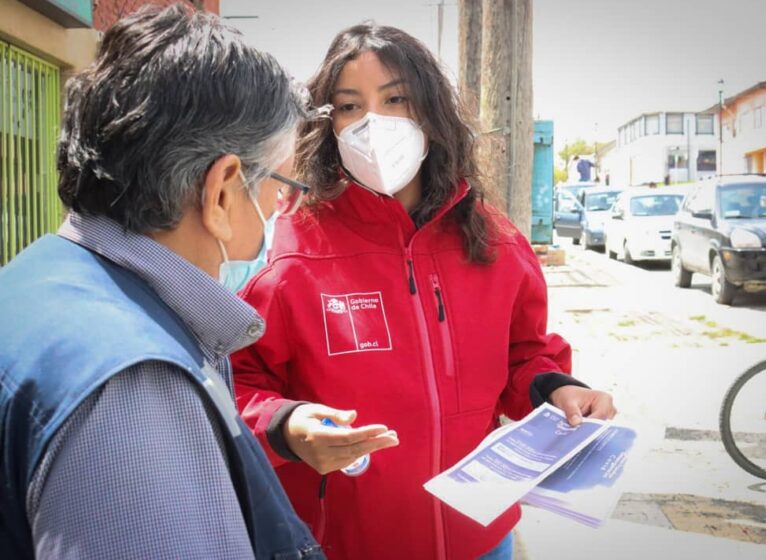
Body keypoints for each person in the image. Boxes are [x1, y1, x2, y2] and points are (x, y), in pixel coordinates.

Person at [231, 23, 617, 560]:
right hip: (346, 544)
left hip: (482, 540)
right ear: (327, 124)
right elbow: (236, 382)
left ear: (432, 113)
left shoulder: (496, 241)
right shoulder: (293, 248)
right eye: (349, 107)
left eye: (396, 99)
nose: (373, 123)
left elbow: (523, 355)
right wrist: (286, 426)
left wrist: (558, 391)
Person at [0, 6, 324, 560]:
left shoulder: (41, 275)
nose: (281, 206)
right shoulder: (135, 391)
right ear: (223, 189)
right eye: (280, 184)